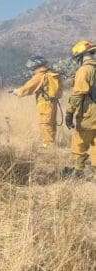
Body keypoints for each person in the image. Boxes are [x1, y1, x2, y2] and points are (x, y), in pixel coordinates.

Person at [11, 56, 60, 148]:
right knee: (51, 123)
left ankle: (48, 145)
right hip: (53, 102)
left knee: (45, 123)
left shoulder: (39, 76)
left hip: (44, 103)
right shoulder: (50, 73)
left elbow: (28, 87)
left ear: (35, 65)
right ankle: (51, 143)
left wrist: (17, 91)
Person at [65, 40, 96, 180]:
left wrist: (69, 113)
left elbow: (78, 93)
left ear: (81, 57)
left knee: (80, 141)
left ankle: (78, 172)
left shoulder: (84, 70)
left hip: (89, 113)